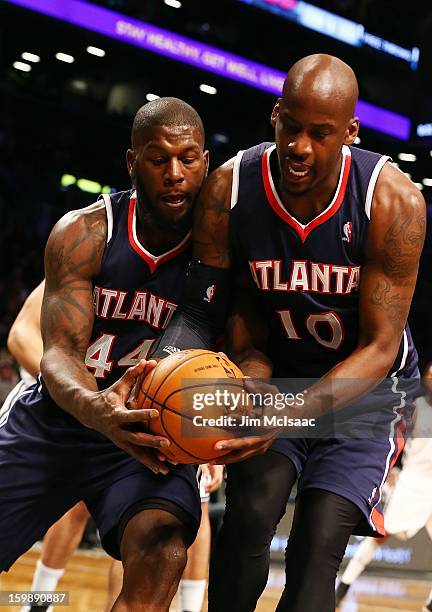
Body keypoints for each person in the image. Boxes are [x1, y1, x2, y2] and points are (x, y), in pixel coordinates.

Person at [151, 54, 426, 611]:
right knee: (250, 516)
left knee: (317, 543)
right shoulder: (230, 189)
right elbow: (214, 310)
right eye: (291, 127)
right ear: (275, 115)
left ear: (350, 132)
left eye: (320, 134)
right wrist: (171, 369)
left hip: (365, 396)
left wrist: (285, 414)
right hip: (275, 378)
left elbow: (379, 348)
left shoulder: (393, 201)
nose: (300, 146)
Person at [0, 97, 211, 612]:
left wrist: (224, 418)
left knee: (163, 554)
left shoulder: (219, 249)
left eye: (188, 158)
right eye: (159, 159)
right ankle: (40, 601)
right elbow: (53, 354)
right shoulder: (85, 232)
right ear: (132, 162)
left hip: (148, 433)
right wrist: (97, 407)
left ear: (206, 162)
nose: (175, 174)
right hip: (59, 419)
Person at [5, 279, 223, 612]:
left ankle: (190, 608)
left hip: (147, 420)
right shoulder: (93, 246)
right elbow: (21, 335)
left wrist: (209, 434)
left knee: (158, 533)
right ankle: (39, 601)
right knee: (75, 510)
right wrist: (85, 398)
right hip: (59, 412)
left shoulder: (200, 273)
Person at [336, 363, 432, 611]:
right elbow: (398, 437)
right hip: (411, 481)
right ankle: (343, 587)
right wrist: (393, 469)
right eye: (430, 375)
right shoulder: (417, 407)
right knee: (379, 536)